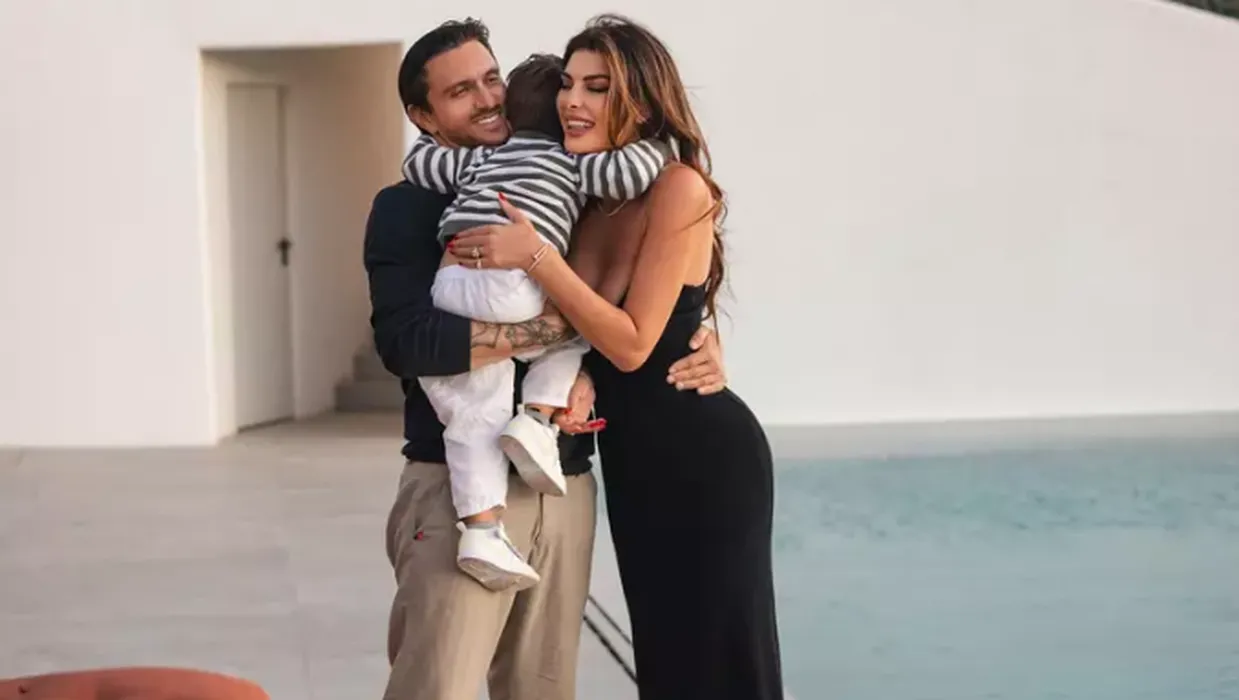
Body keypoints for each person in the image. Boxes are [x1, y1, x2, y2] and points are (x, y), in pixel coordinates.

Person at [363, 18, 728, 700]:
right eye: (460, 93)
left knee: (544, 690)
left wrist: (694, 337)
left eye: (491, 79)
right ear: (424, 118)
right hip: (454, 489)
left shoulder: (571, 184)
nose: (487, 99)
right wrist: (560, 333)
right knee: (435, 688)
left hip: (563, 482)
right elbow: (408, 344)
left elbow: (629, 299)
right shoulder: (408, 206)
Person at [447, 13, 785, 700]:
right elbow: (583, 333)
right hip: (633, 459)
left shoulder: (678, 187)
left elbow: (632, 344)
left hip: (704, 458)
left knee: (719, 658)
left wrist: (538, 258)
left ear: (641, 98)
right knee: (665, 659)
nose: (573, 101)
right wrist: (582, 376)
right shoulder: (581, 192)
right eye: (568, 85)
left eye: (597, 88)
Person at [399, 52, 672, 592]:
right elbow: (633, 172)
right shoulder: (572, 163)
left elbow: (420, 165)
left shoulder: (483, 160)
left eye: (493, 83)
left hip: (451, 284)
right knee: (568, 333)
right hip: (512, 284)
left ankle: (482, 529)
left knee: (475, 410)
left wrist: (446, 148)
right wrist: (661, 143)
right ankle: (537, 420)